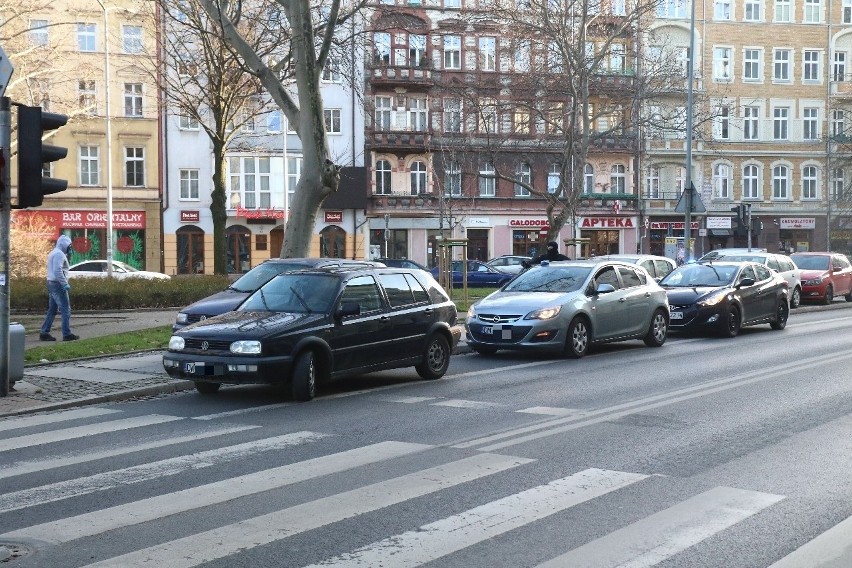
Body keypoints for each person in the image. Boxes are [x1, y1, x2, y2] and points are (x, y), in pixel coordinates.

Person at [39, 234, 79, 342]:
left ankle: (44, 332)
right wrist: (65, 283)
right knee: (66, 309)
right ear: (64, 244)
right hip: (58, 284)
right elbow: (58, 270)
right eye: (69, 245)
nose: (70, 248)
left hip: (51, 283)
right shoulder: (59, 254)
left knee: (52, 309)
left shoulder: (53, 253)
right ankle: (67, 334)